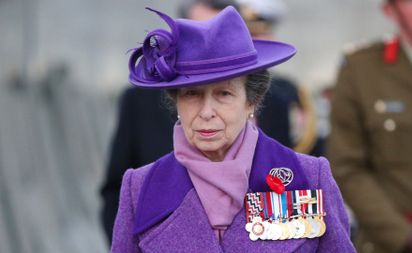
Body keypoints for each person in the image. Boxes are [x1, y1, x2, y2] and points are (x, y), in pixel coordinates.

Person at [110, 6, 355, 252]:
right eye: (192, 94)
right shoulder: (140, 188)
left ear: (252, 101)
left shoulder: (311, 178)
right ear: (176, 102)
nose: (206, 112)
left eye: (224, 94)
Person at [99, 0, 240, 243]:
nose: (207, 111)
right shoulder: (140, 102)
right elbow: (116, 191)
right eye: (199, 31)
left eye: (216, 34)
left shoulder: (274, 102)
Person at [327, 0, 412, 253]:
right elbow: (347, 167)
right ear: (390, 10)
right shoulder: (361, 70)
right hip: (391, 244)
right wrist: (408, 239)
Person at [238, 0, 323, 155]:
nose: (257, 43)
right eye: (251, 35)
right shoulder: (209, 86)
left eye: (264, 34)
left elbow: (305, 143)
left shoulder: (289, 89)